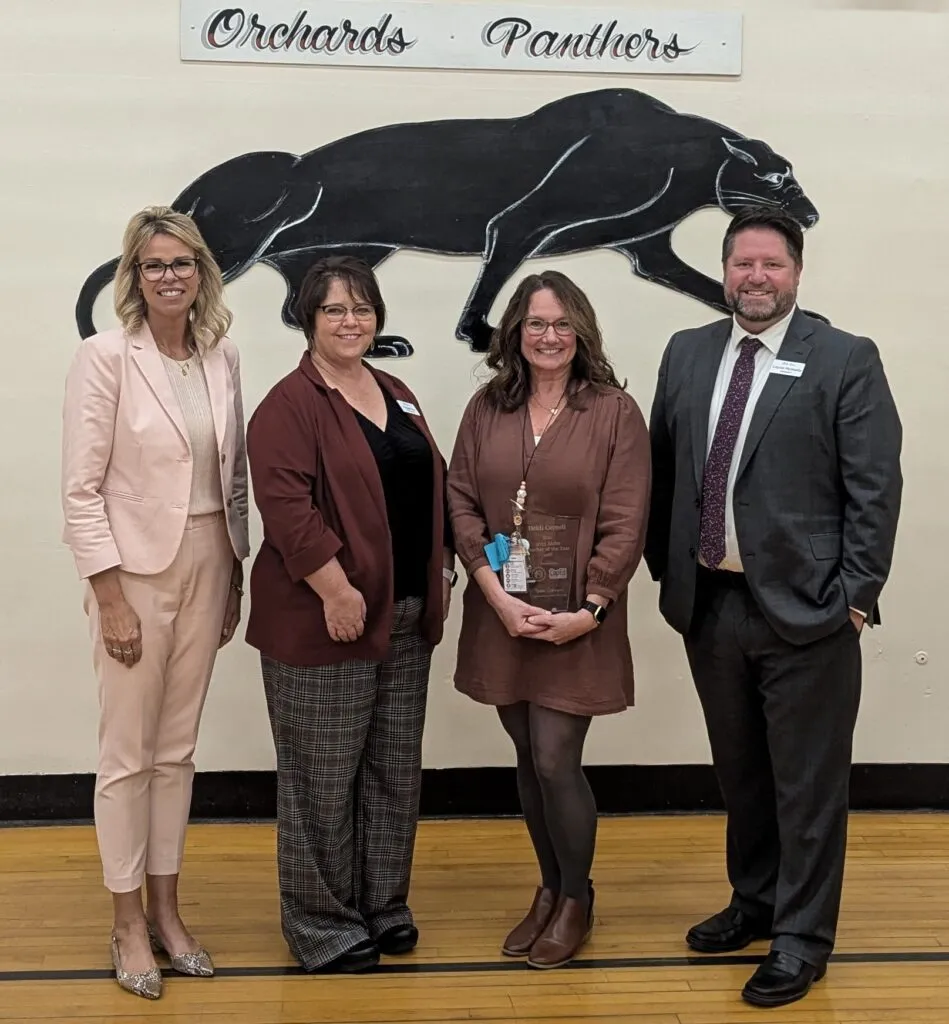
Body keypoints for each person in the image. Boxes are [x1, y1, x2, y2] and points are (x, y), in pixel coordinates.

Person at [644, 205, 902, 1008]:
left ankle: (800, 938)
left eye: (771, 265)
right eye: (741, 264)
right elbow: (662, 467)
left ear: (796, 272)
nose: (755, 278)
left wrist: (854, 601)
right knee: (743, 776)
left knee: (806, 786)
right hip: (710, 606)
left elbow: (875, 489)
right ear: (723, 271)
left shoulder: (843, 359)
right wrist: (668, 571)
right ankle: (754, 903)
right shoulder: (686, 354)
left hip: (810, 615)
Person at [245, 255, 455, 974]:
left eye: (361, 308)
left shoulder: (393, 389)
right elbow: (287, 510)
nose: (350, 321)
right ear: (308, 318)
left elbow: (431, 483)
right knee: (321, 781)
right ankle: (320, 925)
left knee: (392, 769)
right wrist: (334, 590)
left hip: (403, 615)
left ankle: (381, 903)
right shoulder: (288, 404)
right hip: (322, 621)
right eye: (334, 309)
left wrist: (444, 566)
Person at [61, 207, 249, 1000]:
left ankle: (170, 914)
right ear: (132, 278)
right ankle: (127, 922)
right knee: (127, 756)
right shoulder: (104, 358)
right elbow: (79, 491)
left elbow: (231, 477)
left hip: (210, 558)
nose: (167, 276)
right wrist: (109, 597)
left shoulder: (223, 355)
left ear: (202, 272)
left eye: (180, 263)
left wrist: (237, 569)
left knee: (176, 752)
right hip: (133, 573)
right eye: (151, 265)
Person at [447, 270, 651, 970]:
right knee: (527, 759)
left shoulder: (614, 412)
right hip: (501, 611)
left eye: (562, 324)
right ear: (515, 332)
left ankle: (575, 900)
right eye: (535, 323)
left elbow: (626, 522)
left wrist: (591, 609)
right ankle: (548, 887)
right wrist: (492, 593)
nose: (548, 336)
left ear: (582, 332)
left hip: (577, 621)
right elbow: (460, 502)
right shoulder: (486, 407)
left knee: (556, 756)